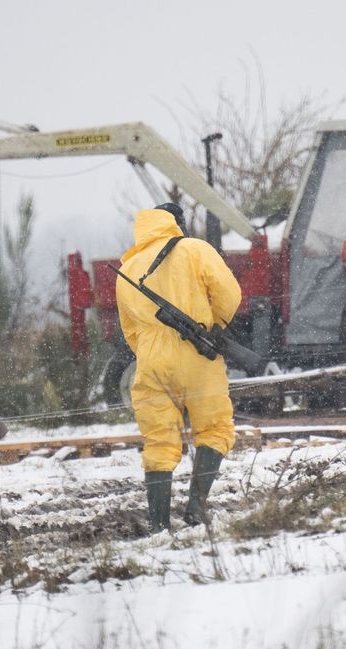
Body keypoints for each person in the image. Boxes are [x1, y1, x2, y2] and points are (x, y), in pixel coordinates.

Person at [116, 203, 242, 533]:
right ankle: (196, 508)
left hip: (151, 362)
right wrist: (215, 326)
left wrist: (151, 352)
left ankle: (159, 524)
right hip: (197, 354)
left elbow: (129, 330)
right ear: (177, 224)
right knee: (214, 429)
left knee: (159, 441)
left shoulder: (128, 267)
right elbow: (229, 294)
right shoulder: (195, 249)